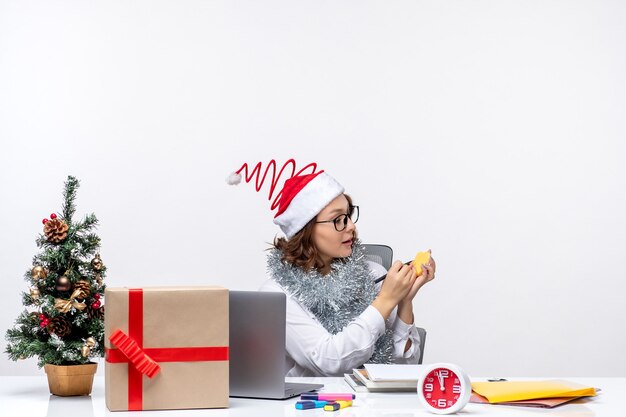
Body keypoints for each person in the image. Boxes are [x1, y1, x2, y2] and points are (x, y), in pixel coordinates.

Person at [228, 159, 436, 377]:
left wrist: (404, 302)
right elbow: (328, 362)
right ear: (305, 229)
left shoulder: (372, 273)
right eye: (338, 219)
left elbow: (405, 370)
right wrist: (384, 301)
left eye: (349, 215)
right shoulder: (279, 295)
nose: (351, 226)